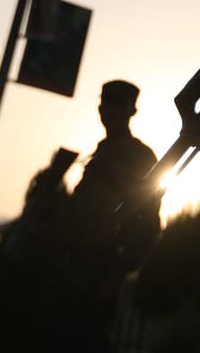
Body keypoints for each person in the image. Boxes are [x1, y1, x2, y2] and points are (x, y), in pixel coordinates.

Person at [45, 80, 160, 353]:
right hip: (72, 266)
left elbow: (147, 221)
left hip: (102, 268)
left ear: (131, 110)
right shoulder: (99, 154)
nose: (106, 109)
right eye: (104, 102)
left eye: (115, 103)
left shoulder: (139, 156)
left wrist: (116, 275)